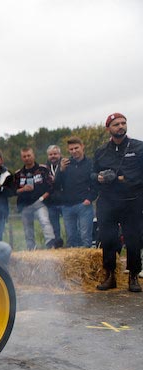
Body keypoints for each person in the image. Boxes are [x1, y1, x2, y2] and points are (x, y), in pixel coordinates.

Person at [92, 113, 143, 292]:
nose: (120, 126)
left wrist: (122, 179)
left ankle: (134, 277)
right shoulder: (101, 151)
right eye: (116, 124)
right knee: (107, 240)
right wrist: (98, 177)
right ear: (109, 129)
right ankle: (110, 276)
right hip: (108, 203)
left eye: (123, 123)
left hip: (132, 202)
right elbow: (90, 175)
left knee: (133, 240)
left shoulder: (139, 147)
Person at [54, 137, 96, 248]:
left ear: (82, 147)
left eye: (76, 148)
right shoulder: (65, 164)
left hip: (84, 204)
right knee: (71, 237)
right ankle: (74, 264)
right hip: (67, 206)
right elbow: (56, 185)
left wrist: (89, 199)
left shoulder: (91, 163)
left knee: (85, 237)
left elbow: (95, 184)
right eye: (71, 149)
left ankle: (86, 263)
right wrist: (61, 170)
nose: (74, 151)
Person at [14, 147, 56, 250]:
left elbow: (52, 186)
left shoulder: (43, 169)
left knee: (44, 221)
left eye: (29, 155)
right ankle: (31, 249)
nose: (27, 158)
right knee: (28, 229)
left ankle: (51, 245)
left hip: (39, 202)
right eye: (24, 156)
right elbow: (13, 191)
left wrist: (42, 198)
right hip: (25, 205)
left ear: (33, 155)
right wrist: (23, 189)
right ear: (21, 158)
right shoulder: (18, 173)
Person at [45, 145, 65, 247]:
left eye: (55, 154)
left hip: (65, 201)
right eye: (50, 154)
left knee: (69, 227)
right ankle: (58, 248)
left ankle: (73, 247)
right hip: (51, 202)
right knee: (55, 229)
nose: (53, 156)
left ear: (59, 154)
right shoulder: (45, 168)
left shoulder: (65, 164)